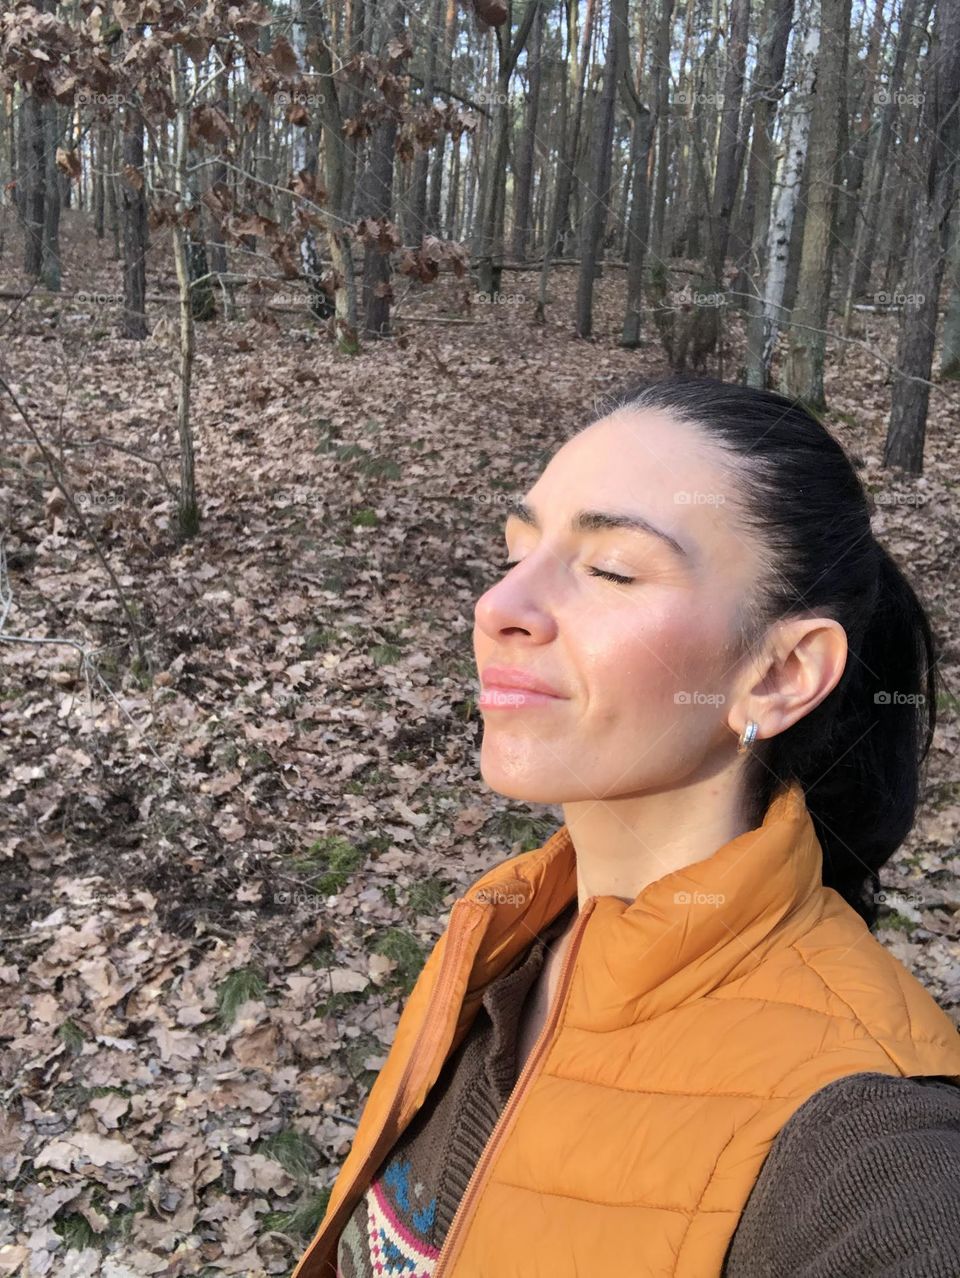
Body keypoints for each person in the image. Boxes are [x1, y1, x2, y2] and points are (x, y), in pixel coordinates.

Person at [292, 375, 960, 1278]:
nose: (499, 608)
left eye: (610, 569)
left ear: (781, 673)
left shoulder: (863, 1133)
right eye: (516, 551)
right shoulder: (506, 938)